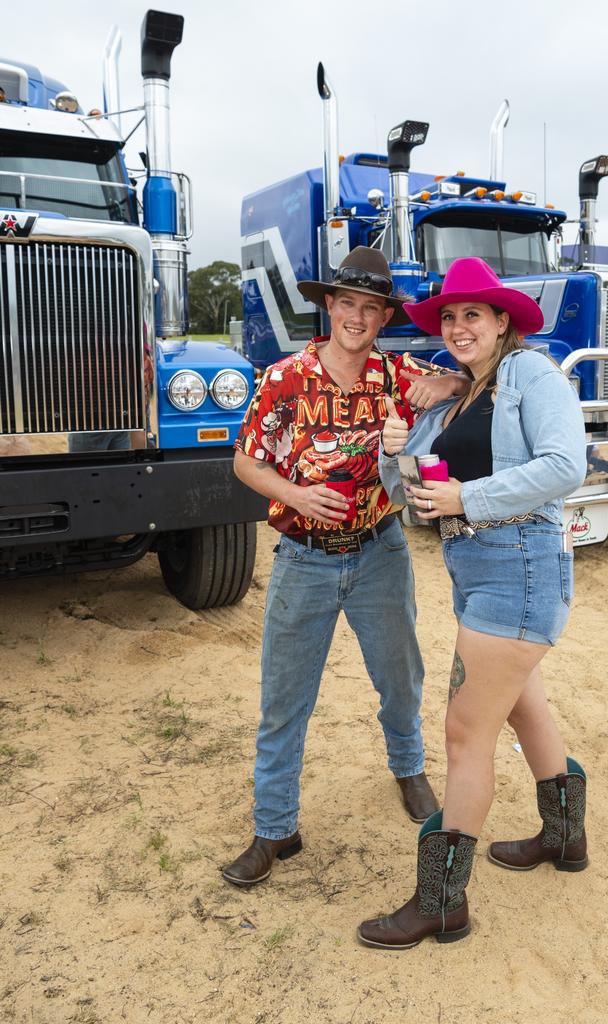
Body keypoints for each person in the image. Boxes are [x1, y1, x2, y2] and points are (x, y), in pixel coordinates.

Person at [357, 257, 588, 948]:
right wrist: (392, 448)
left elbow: (563, 465)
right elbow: (407, 494)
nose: (459, 326)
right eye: (450, 316)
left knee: (464, 735)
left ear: (502, 322)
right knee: (526, 705)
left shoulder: (531, 376)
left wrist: (468, 497)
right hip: (477, 567)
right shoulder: (455, 395)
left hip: (518, 563)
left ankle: (441, 900)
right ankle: (564, 837)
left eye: (473, 315)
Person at [221, 247, 470, 888]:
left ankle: (409, 770)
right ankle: (275, 829)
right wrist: (295, 494)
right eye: (347, 303)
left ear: (383, 316)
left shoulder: (396, 373)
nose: (357, 317)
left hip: (381, 551)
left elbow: (466, 382)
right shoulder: (285, 378)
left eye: (371, 307)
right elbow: (246, 462)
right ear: (328, 306)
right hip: (303, 559)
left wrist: (444, 383)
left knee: (401, 676)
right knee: (285, 698)